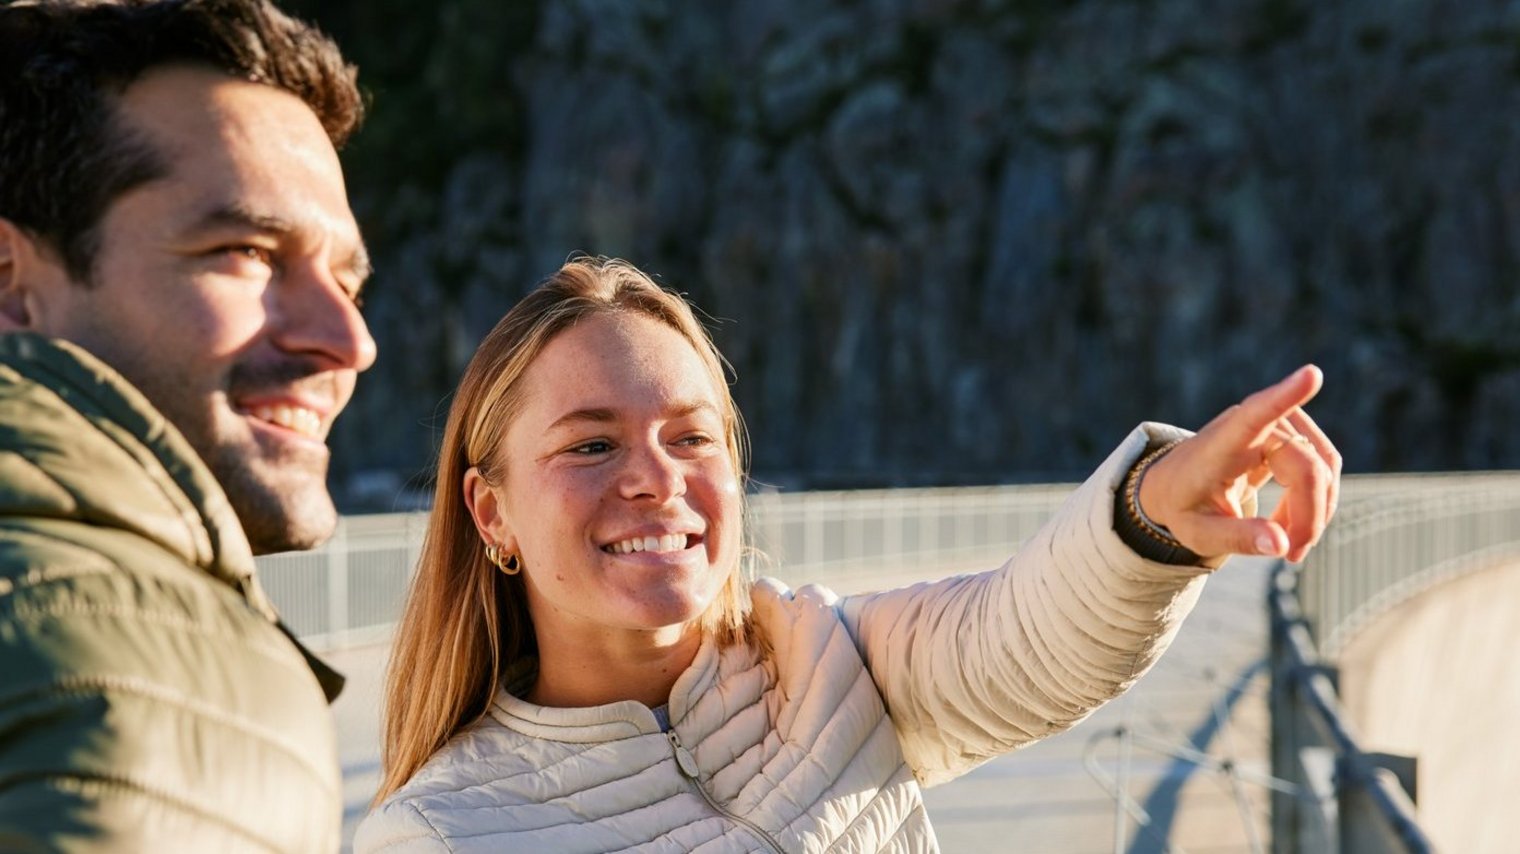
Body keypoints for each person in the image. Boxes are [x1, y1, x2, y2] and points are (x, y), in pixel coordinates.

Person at [357, 257, 1339, 852]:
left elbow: (1026, 635)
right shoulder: (441, 832)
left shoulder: (823, 655)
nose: (656, 478)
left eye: (692, 436)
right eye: (590, 442)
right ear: (490, 513)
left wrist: (1154, 505)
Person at [0, 0, 374, 850]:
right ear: (11, 283)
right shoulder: (107, 674)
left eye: (348, 283)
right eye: (242, 252)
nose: (351, 341)